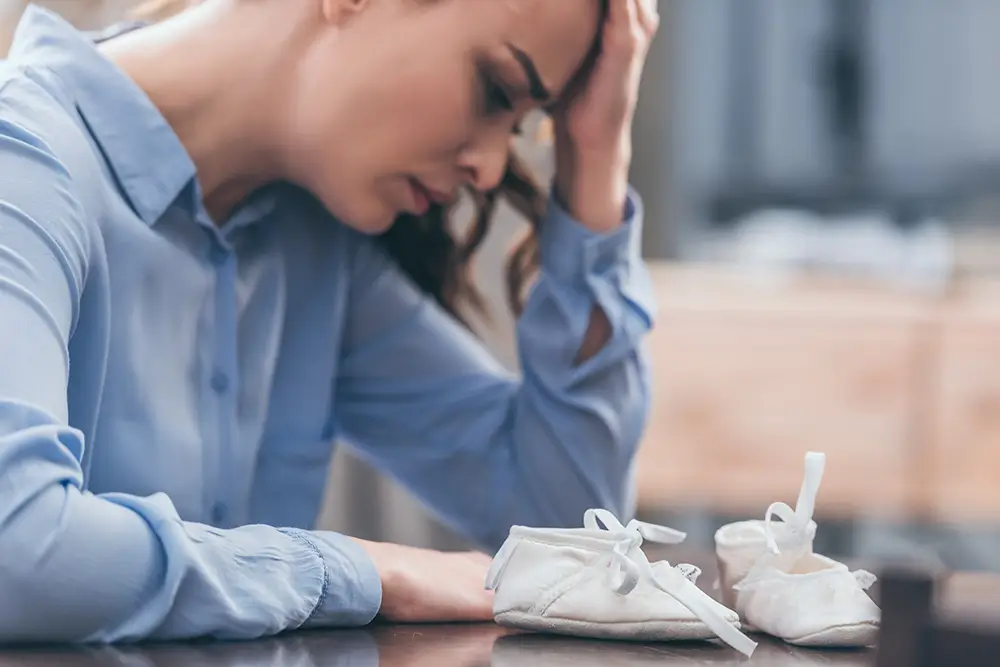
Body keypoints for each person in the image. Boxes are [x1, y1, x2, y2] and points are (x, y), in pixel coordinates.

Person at [0, 0, 659, 643]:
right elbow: (14, 547)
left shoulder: (311, 249)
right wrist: (363, 571)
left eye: (519, 126)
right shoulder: (24, 165)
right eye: (495, 88)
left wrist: (596, 158)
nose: (490, 169)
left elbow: (571, 540)